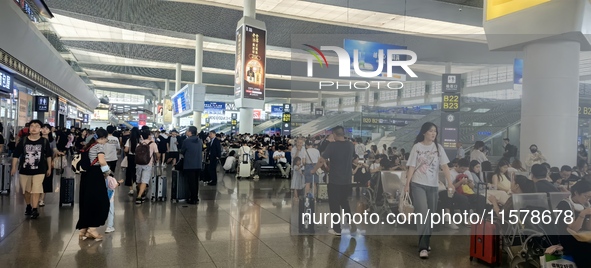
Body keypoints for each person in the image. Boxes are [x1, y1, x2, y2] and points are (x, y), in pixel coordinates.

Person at [403, 122, 453, 259]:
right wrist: (407, 184)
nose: (433, 133)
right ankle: (423, 247)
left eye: (435, 131)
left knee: (430, 215)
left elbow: (445, 166)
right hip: (418, 184)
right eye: (431, 131)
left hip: (433, 186)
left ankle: (426, 240)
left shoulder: (438, 148)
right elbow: (411, 167)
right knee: (423, 214)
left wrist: (450, 183)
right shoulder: (417, 147)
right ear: (424, 132)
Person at [311, 126, 356, 236]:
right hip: (347, 180)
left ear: (335, 134)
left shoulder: (332, 146)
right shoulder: (350, 145)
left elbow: (322, 160)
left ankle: (337, 229)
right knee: (344, 202)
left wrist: (314, 170)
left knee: (334, 205)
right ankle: (350, 220)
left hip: (335, 180)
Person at [11, 120, 52, 219]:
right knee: (26, 191)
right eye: (32, 126)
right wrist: (13, 167)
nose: (34, 128)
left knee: (36, 189)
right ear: (29, 129)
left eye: (37, 126)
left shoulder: (44, 141)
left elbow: (49, 156)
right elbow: (16, 155)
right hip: (25, 170)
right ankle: (28, 205)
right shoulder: (24, 141)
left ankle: (35, 209)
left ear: (40, 129)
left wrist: (49, 168)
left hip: (40, 170)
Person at [75, 128, 111, 241]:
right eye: (106, 139)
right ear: (102, 138)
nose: (106, 141)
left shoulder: (88, 146)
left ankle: (83, 229)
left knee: (87, 201)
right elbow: (101, 161)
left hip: (86, 176)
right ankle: (92, 228)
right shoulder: (99, 146)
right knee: (101, 202)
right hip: (95, 176)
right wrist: (108, 172)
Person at [554, 180, 591, 266]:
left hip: (583, 236)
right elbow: (573, 229)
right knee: (586, 251)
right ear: (576, 193)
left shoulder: (586, 204)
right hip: (569, 238)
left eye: (589, 197)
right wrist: (582, 214)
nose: (587, 200)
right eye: (586, 196)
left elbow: (589, 228)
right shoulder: (564, 205)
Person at [135, 129, 159, 204]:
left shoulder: (139, 144)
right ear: (149, 135)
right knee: (144, 180)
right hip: (148, 164)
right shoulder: (153, 144)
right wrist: (157, 158)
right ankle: (139, 196)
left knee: (139, 180)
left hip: (138, 164)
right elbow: (157, 154)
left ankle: (141, 193)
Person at [39, 124, 61, 207]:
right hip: (38, 162)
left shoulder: (52, 141)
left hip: (48, 162)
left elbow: (54, 149)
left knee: (46, 181)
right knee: (38, 181)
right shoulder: (37, 139)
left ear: (50, 130)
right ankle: (37, 197)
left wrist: (58, 152)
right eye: (43, 128)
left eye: (47, 128)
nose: (45, 130)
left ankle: (42, 199)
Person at [180, 126, 203, 204]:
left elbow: (182, 151)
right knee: (196, 182)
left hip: (189, 164)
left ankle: (192, 198)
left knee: (190, 182)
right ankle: (195, 197)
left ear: (190, 132)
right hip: (198, 164)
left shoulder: (187, 141)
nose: (186, 132)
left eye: (187, 131)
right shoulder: (200, 141)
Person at [124, 128, 140, 195]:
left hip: (130, 157)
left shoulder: (129, 140)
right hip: (139, 158)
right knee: (138, 172)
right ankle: (137, 186)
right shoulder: (140, 140)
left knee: (129, 172)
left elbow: (126, 150)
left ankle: (131, 190)